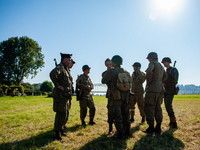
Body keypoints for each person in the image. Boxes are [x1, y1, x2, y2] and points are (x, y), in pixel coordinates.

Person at [102, 55, 131, 139]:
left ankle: (120, 135)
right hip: (125, 96)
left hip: (116, 96)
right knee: (126, 114)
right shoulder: (125, 71)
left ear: (114, 62)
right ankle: (128, 131)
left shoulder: (112, 71)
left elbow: (103, 80)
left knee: (117, 115)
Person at [50, 53, 73, 141]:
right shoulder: (60, 67)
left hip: (65, 96)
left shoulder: (66, 69)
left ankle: (62, 129)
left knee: (65, 114)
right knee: (60, 114)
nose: (70, 61)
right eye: (69, 59)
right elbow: (52, 74)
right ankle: (57, 134)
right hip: (60, 96)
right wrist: (57, 85)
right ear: (65, 59)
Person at [143, 52, 167, 135]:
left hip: (152, 89)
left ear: (151, 58)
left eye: (148, 58)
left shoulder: (152, 63)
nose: (148, 60)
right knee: (158, 108)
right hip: (160, 89)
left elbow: (149, 71)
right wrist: (159, 82)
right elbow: (165, 76)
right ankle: (158, 127)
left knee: (149, 107)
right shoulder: (160, 65)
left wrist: (149, 82)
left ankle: (151, 127)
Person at [162, 57, 179, 129]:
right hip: (165, 90)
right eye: (163, 62)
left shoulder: (173, 70)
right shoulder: (166, 71)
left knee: (168, 106)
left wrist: (165, 81)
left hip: (170, 90)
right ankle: (171, 121)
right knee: (167, 106)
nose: (164, 64)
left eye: (165, 62)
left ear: (169, 62)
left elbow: (174, 80)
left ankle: (174, 122)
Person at [102, 58, 114, 135]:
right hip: (110, 94)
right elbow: (105, 80)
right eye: (107, 65)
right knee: (110, 111)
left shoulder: (117, 71)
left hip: (119, 94)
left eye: (110, 64)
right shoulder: (104, 73)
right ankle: (110, 128)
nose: (109, 66)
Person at [64, 59, 76, 129]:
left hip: (68, 94)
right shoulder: (64, 70)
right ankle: (62, 125)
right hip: (64, 93)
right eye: (71, 63)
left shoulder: (68, 71)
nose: (72, 65)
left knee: (67, 110)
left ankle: (64, 124)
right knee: (64, 111)